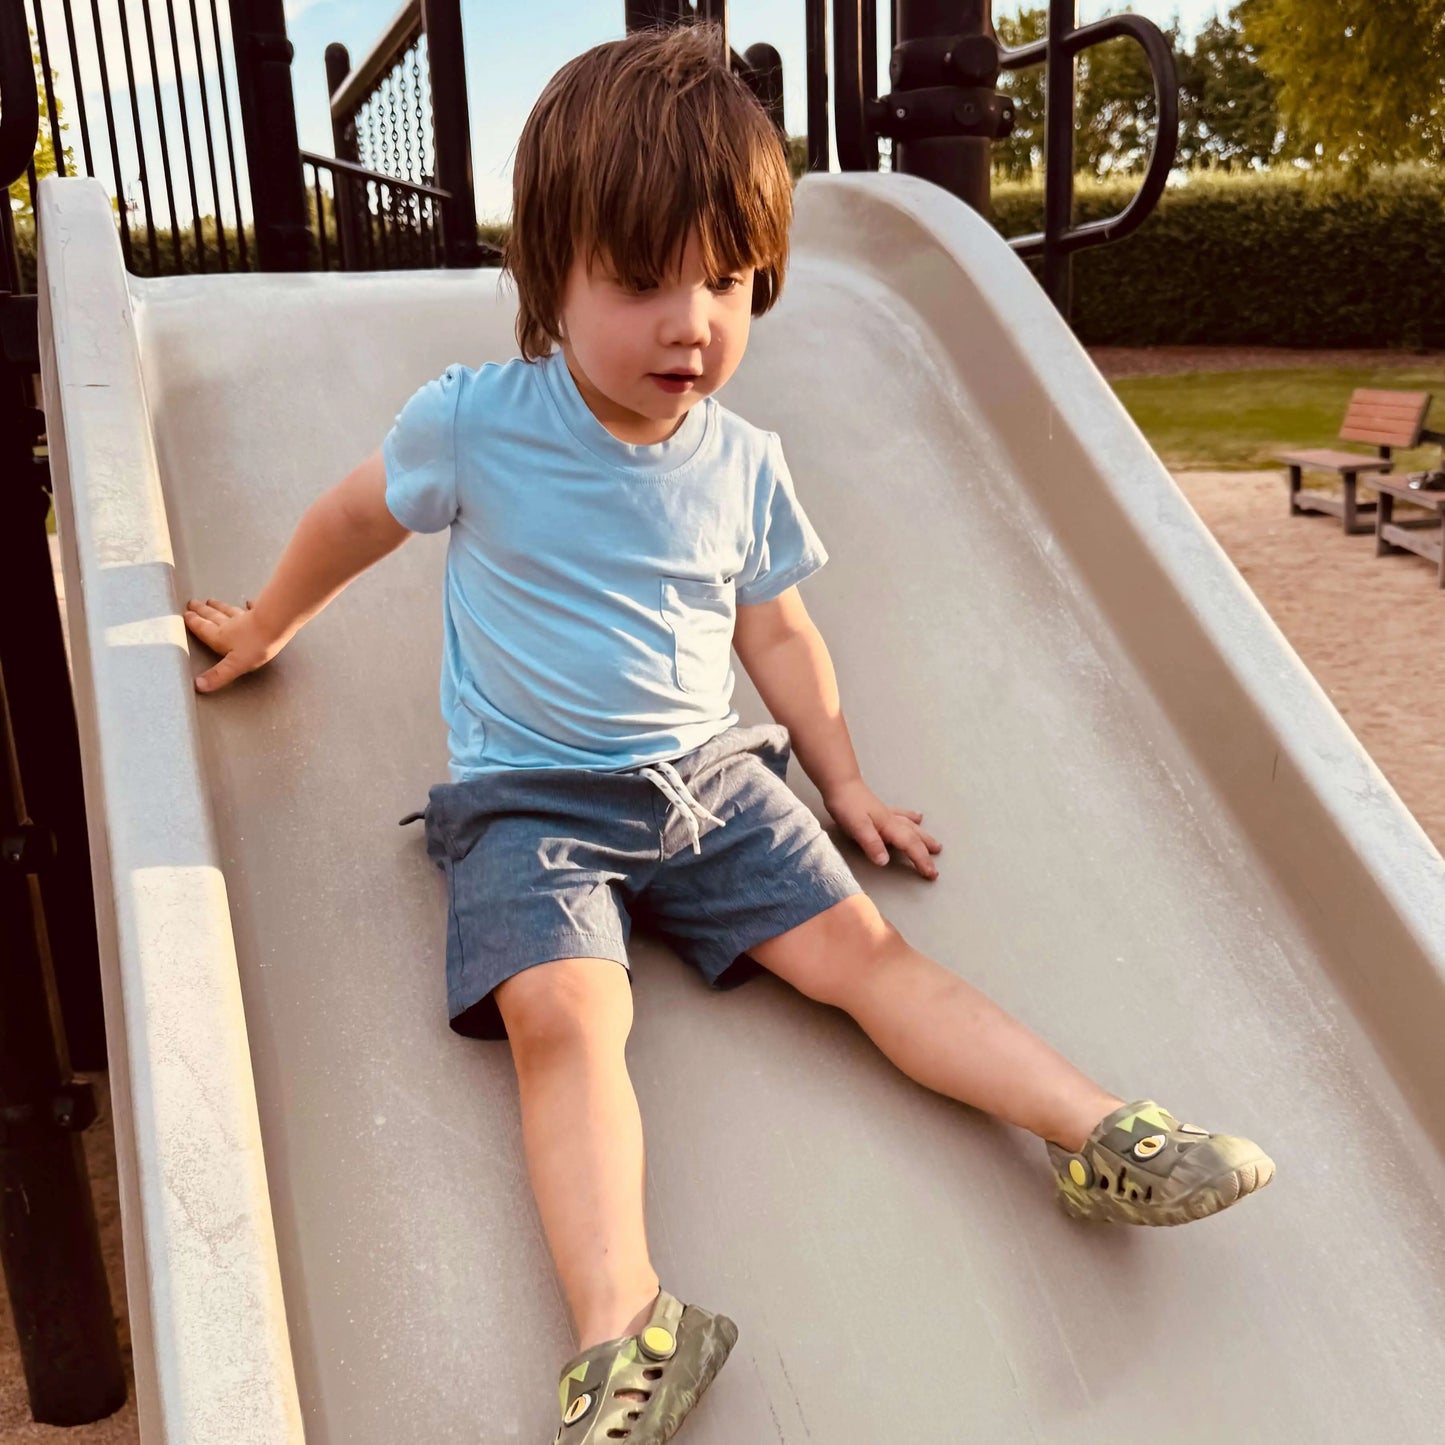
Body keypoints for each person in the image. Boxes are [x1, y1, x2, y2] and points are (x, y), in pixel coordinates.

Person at [183, 24, 1274, 1445]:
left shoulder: (743, 464)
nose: (688, 321)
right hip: (529, 805)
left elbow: (779, 636)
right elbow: (352, 518)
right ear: (549, 276)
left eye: (724, 278)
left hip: (711, 783)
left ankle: (1097, 1131)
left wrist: (845, 781)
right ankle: (626, 1326)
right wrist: (269, 623)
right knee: (564, 1021)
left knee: (872, 963)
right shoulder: (477, 424)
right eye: (642, 281)